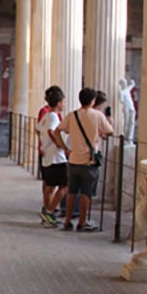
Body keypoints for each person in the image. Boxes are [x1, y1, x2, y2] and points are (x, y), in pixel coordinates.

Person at [57, 87, 113, 232]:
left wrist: (64, 148)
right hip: (89, 161)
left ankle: (68, 221)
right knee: (86, 193)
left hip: (73, 159)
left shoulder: (72, 115)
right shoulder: (98, 115)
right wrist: (108, 122)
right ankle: (82, 222)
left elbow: (58, 130)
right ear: (93, 101)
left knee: (72, 192)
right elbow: (110, 131)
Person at [37, 85, 68, 226]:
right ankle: (50, 211)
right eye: (62, 101)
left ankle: (47, 212)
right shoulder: (54, 116)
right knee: (64, 186)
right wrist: (61, 145)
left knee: (49, 186)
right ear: (59, 102)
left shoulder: (46, 115)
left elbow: (38, 129)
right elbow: (51, 131)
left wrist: (43, 144)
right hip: (56, 157)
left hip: (47, 156)